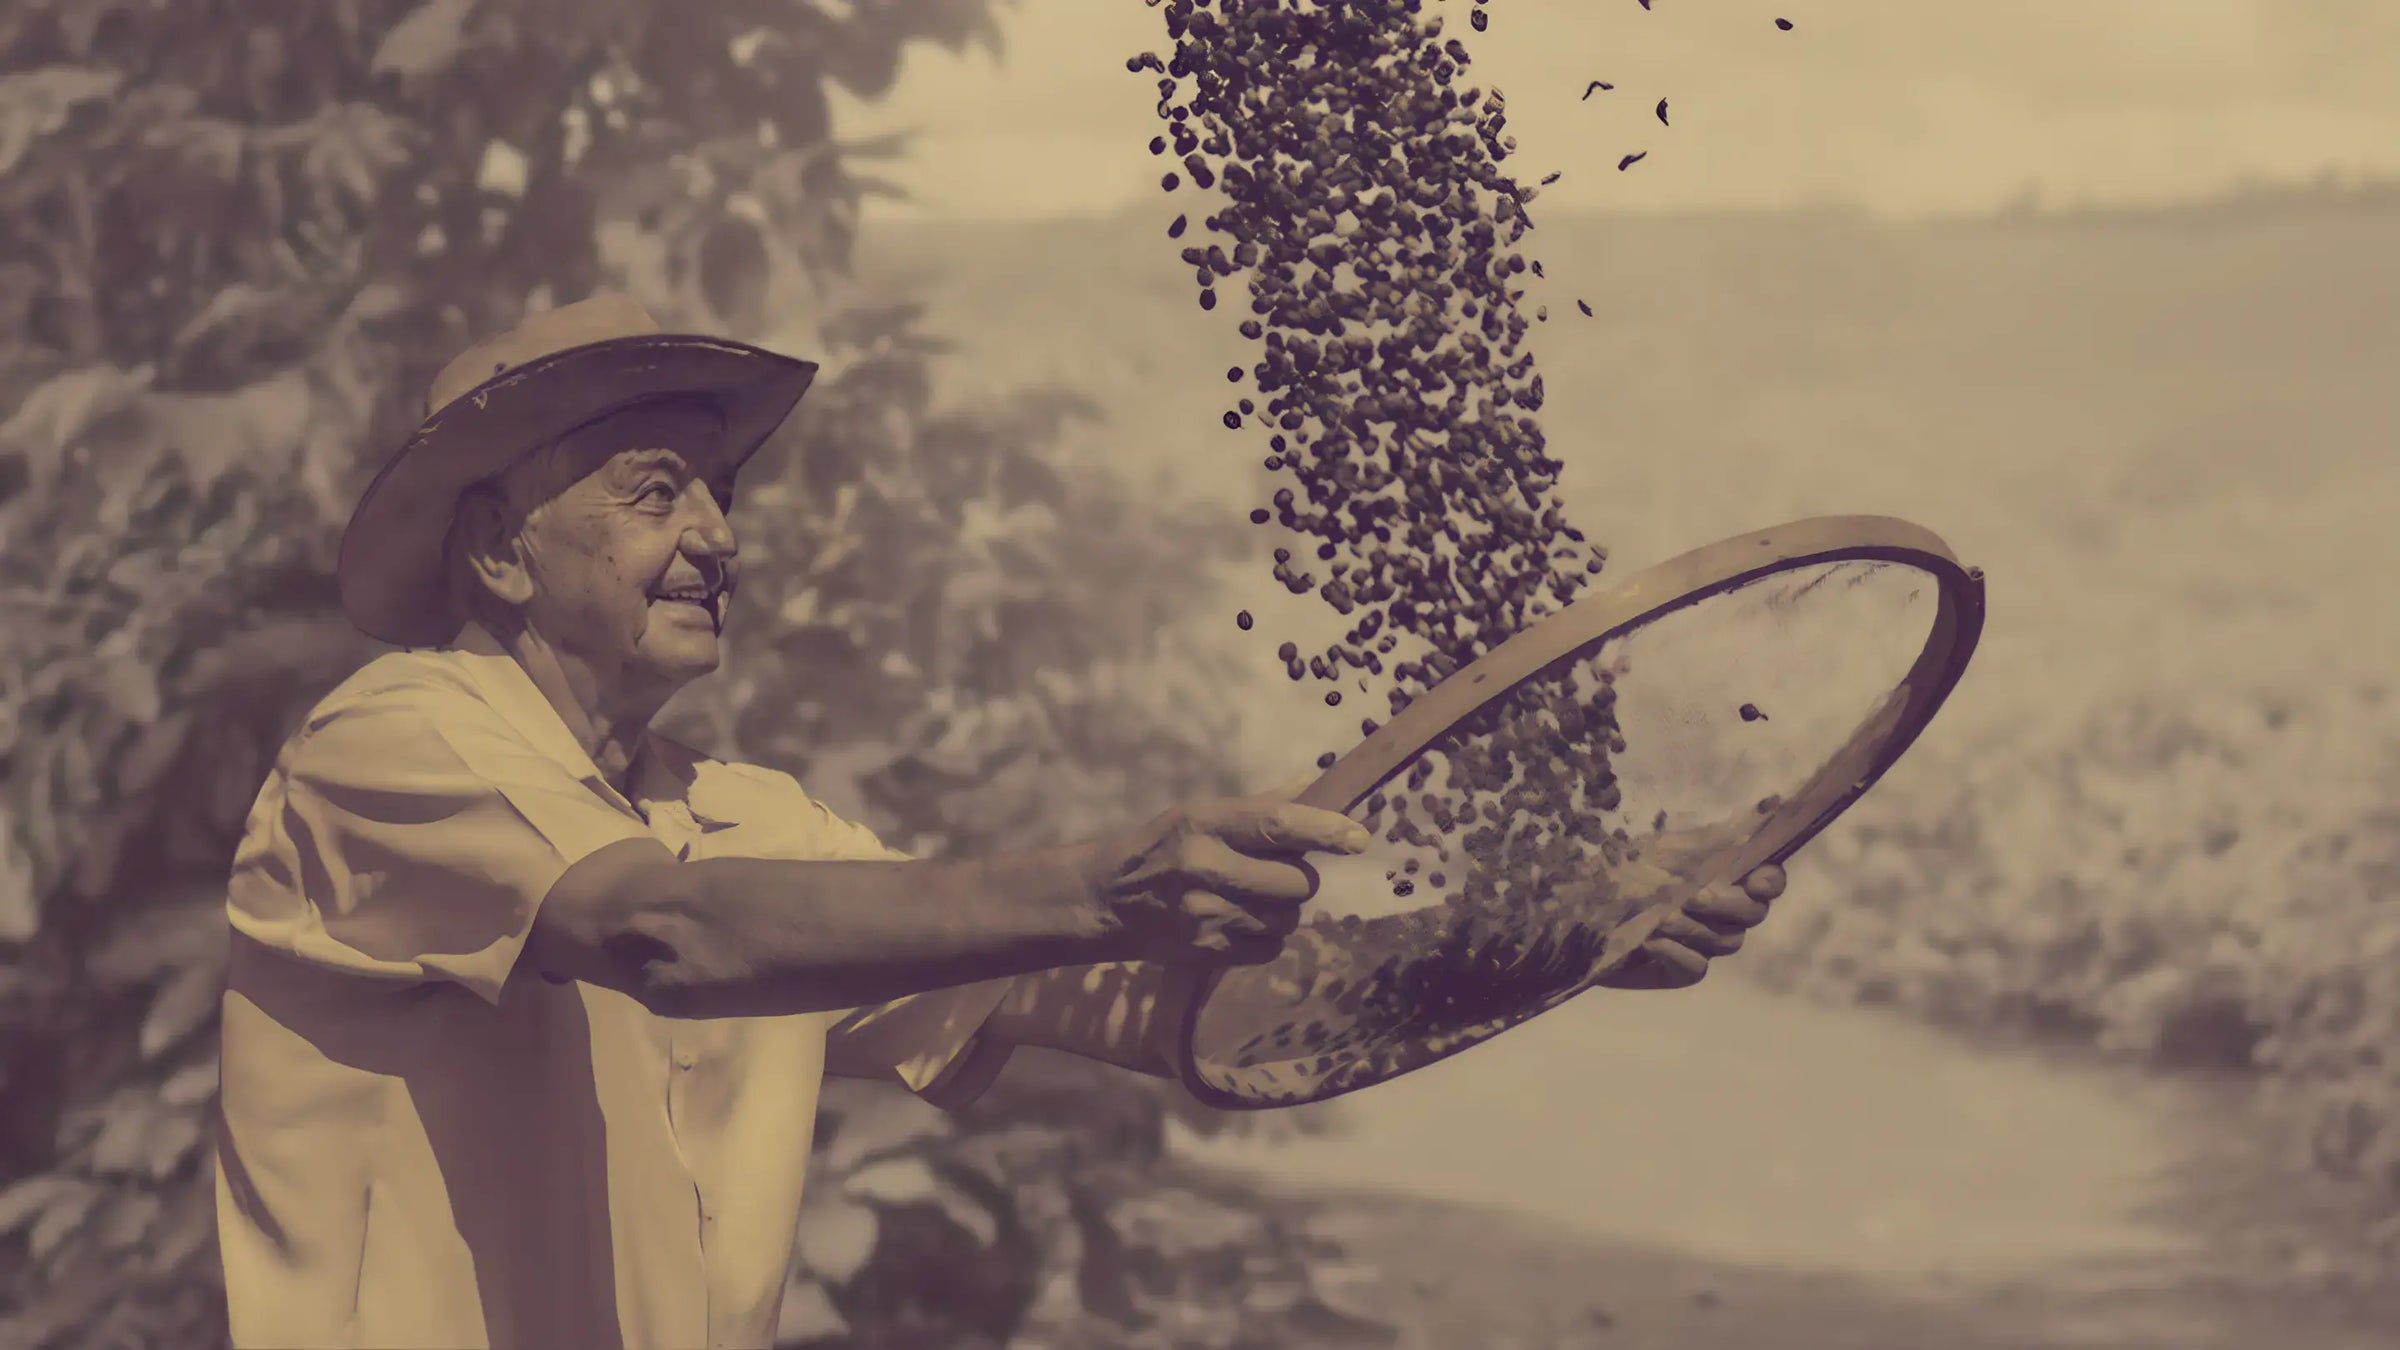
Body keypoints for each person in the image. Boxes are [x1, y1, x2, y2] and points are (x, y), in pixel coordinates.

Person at [213, 293, 1779, 1350]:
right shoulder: (395, 739)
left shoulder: (747, 821)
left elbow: (1190, 1006)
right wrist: (1114, 880)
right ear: (494, 548)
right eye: (651, 489)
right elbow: (668, 932)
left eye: (720, 495)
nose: (714, 536)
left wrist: (1556, 934)